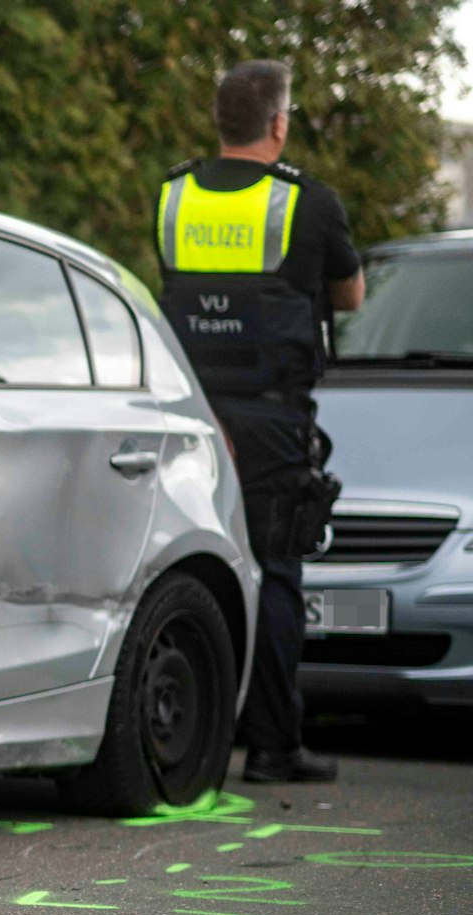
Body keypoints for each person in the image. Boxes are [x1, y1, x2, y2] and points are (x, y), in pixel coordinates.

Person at [155, 59, 364, 784]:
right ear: (278, 124)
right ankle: (274, 746)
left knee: (189, 559)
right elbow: (353, 296)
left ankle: (197, 731)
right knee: (276, 570)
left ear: (220, 124)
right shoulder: (307, 202)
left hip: (186, 411)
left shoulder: (172, 194)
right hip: (271, 419)